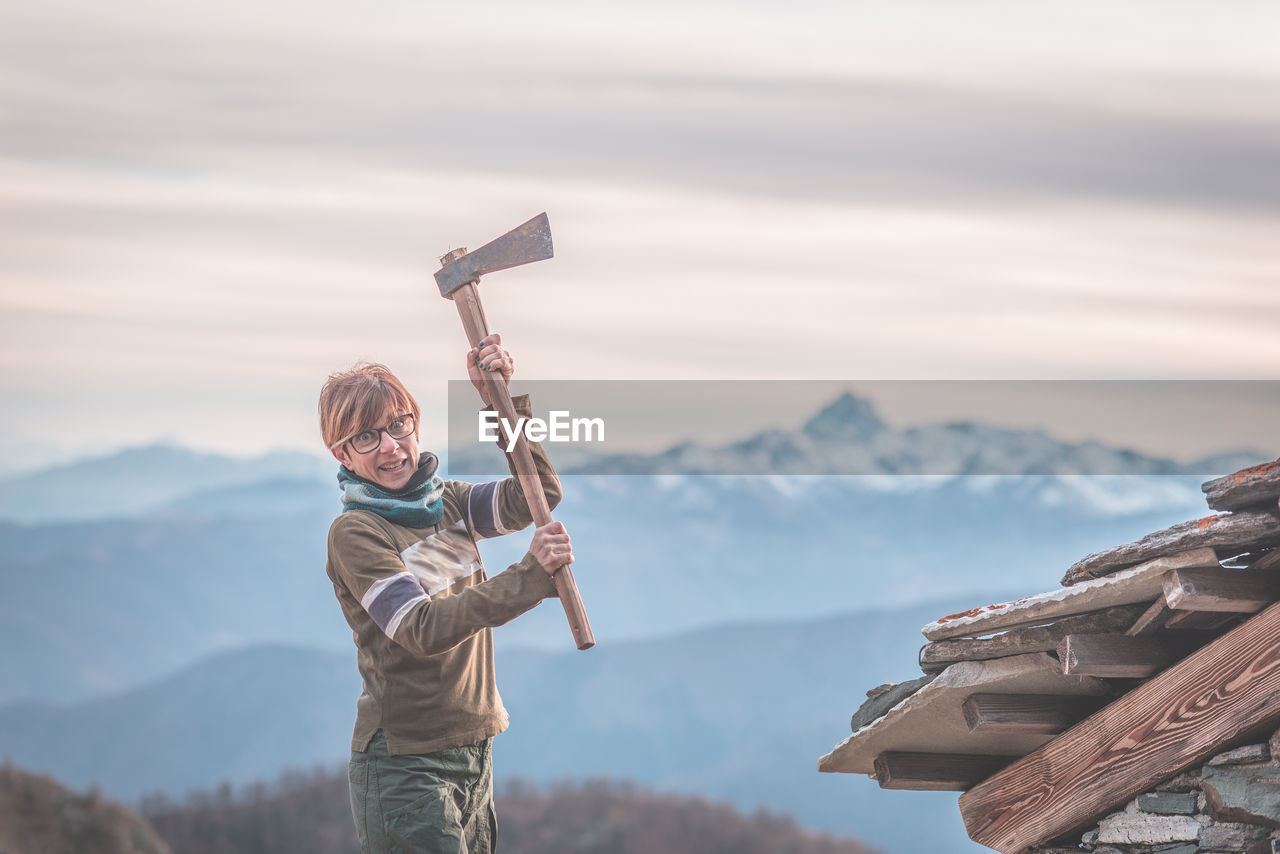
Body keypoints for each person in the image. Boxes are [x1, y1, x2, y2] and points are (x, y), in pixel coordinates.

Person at [318, 332, 572, 854]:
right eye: (366, 437)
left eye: (397, 424)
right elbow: (420, 629)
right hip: (405, 767)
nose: (390, 445)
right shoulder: (357, 533)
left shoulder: (446, 503)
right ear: (340, 452)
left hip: (474, 750)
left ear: (414, 423)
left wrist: (499, 402)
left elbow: (539, 494)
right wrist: (530, 575)